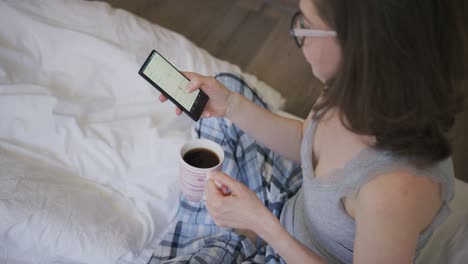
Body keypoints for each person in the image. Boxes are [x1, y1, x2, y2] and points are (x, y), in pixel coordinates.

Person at [152, 0, 467, 263]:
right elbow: (308, 141)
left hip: (289, 247)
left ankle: (229, 233)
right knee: (225, 87)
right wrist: (230, 105)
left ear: (359, 46)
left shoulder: (395, 191)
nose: (297, 34)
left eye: (306, 24)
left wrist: (262, 225)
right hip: (293, 204)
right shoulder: (350, 87)